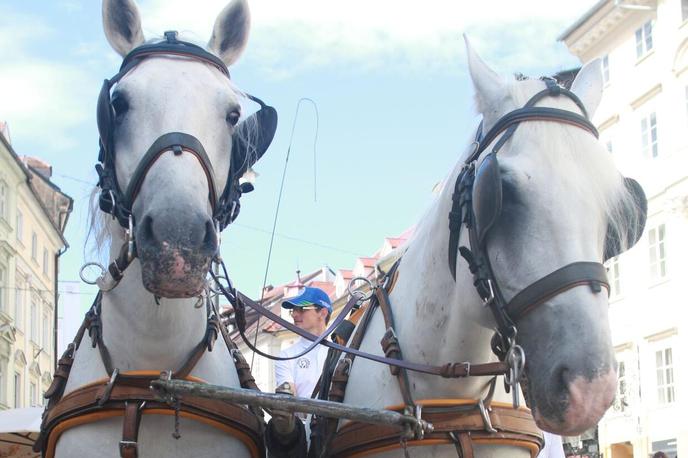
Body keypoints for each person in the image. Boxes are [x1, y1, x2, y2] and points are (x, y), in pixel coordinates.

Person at [274, 286, 332, 400]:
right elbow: (289, 400)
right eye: (293, 310)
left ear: (323, 313)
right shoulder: (286, 356)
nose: (294, 315)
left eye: (301, 309)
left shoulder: (341, 352)